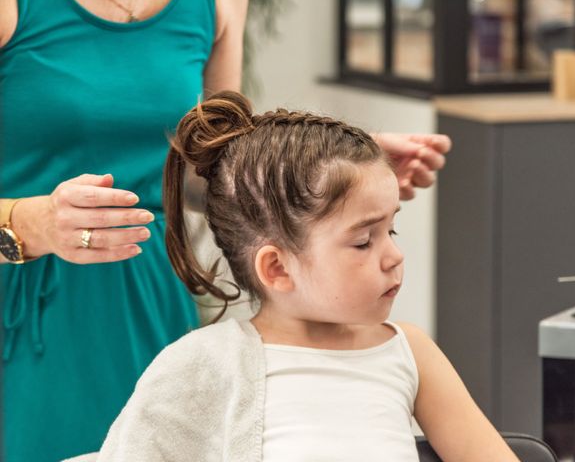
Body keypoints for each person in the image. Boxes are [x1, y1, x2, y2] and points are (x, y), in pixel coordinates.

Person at [0, 0, 449, 461]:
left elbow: (212, 171)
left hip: (144, 293)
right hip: (20, 296)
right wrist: (34, 223)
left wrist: (335, 174)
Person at [67, 91, 515, 462]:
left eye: (391, 229)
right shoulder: (200, 366)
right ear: (277, 268)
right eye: (364, 241)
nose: (394, 256)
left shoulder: (409, 351)